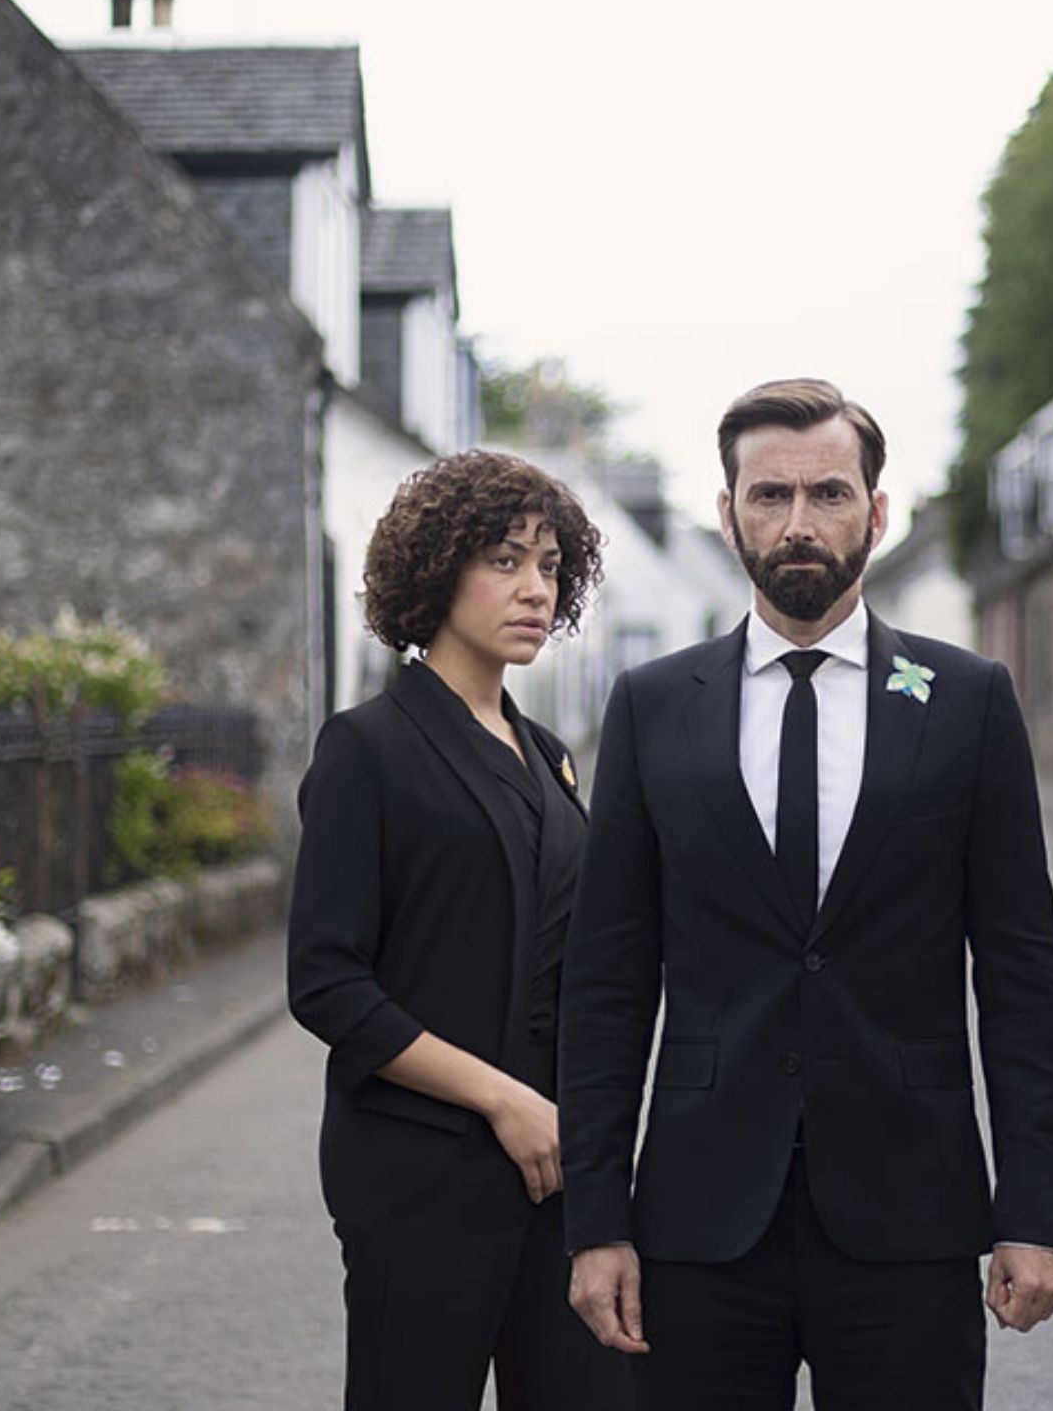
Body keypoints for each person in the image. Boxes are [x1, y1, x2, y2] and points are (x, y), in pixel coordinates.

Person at [560, 378, 1053, 1410]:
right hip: (698, 1226)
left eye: (830, 494)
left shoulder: (966, 702)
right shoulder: (654, 707)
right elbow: (607, 982)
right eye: (770, 496)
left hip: (909, 1220)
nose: (799, 523)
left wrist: (1034, 1212)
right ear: (729, 514)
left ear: (877, 514)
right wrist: (597, 1221)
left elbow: (1021, 971)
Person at [286, 450, 633, 1411]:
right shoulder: (367, 750)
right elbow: (327, 982)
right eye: (505, 559)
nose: (535, 588)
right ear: (439, 571)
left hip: (561, 1179)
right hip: (419, 1176)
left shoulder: (551, 756)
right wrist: (502, 1100)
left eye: (551, 567)